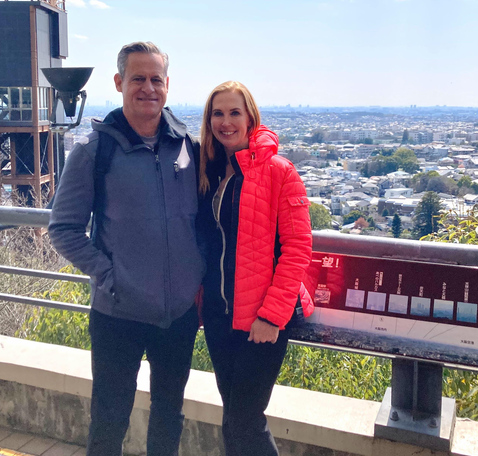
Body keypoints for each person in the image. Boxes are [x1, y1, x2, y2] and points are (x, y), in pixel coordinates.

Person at [49, 41, 203, 456]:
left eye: (156, 79)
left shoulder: (190, 148)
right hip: (118, 312)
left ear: (168, 86)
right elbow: (63, 228)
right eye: (138, 78)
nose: (147, 88)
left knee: (169, 416)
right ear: (119, 83)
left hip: (179, 316)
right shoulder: (94, 151)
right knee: (110, 417)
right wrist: (109, 275)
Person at [196, 81, 314, 456]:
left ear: (250, 118)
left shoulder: (279, 170)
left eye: (234, 113)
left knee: (246, 419)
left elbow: (297, 247)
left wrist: (272, 316)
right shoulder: (213, 171)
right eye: (218, 113)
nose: (226, 121)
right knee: (233, 418)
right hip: (219, 316)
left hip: (260, 321)